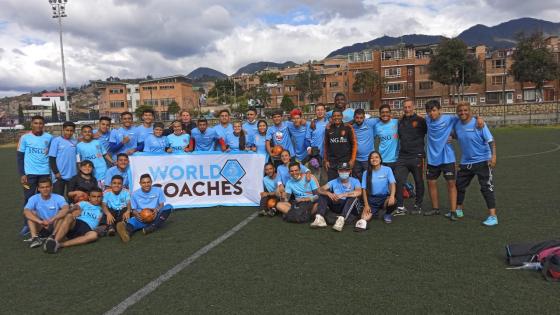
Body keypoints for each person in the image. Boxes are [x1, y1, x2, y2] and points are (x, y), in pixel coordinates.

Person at [453, 102, 498, 226]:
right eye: (460, 110)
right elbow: (459, 135)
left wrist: (493, 157)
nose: (463, 112)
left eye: (465, 110)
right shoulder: (457, 124)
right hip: (466, 162)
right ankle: (459, 209)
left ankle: (493, 216)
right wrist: (451, 137)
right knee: (459, 186)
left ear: (470, 110)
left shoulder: (479, 123)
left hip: (482, 161)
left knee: (486, 187)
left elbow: (491, 140)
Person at [42, 187, 104, 254]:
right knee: (68, 216)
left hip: (88, 229)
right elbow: (74, 207)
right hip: (77, 223)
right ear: (89, 197)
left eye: (99, 197)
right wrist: (74, 209)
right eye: (94, 196)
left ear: (102, 197)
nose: (96, 199)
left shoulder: (103, 209)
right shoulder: (85, 203)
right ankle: (55, 240)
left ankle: (59, 245)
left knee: (94, 235)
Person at [116, 174, 173, 242]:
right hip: (141, 218)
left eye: (148, 182)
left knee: (169, 207)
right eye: (144, 183)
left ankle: (153, 226)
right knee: (132, 221)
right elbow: (133, 209)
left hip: (155, 216)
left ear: (151, 182)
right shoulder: (135, 194)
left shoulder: (158, 190)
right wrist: (136, 214)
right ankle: (127, 234)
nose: (146, 184)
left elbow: (161, 205)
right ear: (140, 183)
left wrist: (157, 210)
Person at [394, 99, 427, 216]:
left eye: (409, 107)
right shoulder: (400, 121)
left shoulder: (421, 121)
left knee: (418, 181)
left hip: (417, 156)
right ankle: (400, 206)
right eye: (405, 107)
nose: (407, 109)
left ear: (414, 107)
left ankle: (418, 205)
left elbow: (433, 130)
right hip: (403, 156)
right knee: (398, 180)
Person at [311, 162, 362, 232]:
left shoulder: (355, 181)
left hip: (349, 205)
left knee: (353, 197)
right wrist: (328, 193)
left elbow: (359, 192)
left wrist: (344, 194)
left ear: (350, 171)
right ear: (338, 171)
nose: (344, 172)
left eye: (346, 170)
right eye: (341, 170)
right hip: (337, 204)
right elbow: (319, 189)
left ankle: (341, 220)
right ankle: (320, 218)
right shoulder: (333, 181)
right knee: (323, 195)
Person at [23, 177, 69, 248]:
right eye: (42, 187)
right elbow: (26, 211)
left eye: (47, 187)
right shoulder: (34, 198)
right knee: (31, 213)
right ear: (38, 189)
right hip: (41, 226)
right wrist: (40, 222)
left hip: (55, 225)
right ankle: (35, 238)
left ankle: (53, 236)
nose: (45, 189)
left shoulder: (59, 198)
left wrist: (53, 219)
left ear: (51, 187)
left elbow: (66, 208)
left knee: (62, 213)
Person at [355, 151, 397, 230]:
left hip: (384, 198)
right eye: (371, 158)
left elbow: (392, 184)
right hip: (372, 199)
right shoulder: (366, 173)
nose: (374, 159)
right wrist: (366, 205)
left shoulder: (387, 169)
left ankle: (387, 214)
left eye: (376, 157)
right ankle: (377, 212)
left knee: (393, 201)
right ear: (369, 161)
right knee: (364, 218)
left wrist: (391, 196)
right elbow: (364, 190)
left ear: (380, 160)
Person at [17, 115, 53, 203]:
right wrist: (22, 174)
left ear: (43, 125)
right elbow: (20, 157)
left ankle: (42, 216)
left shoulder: (49, 137)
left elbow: (53, 155)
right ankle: (28, 217)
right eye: (36, 123)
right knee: (29, 198)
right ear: (31, 124)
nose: (38, 125)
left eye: (40, 123)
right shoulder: (25, 138)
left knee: (44, 198)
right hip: (30, 174)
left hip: (45, 173)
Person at [323, 109, 357, 181]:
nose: (336, 117)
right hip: (332, 162)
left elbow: (354, 144)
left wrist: (352, 160)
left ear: (342, 117)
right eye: (334, 116)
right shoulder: (328, 128)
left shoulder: (348, 127)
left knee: (345, 184)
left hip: (345, 161)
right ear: (332, 117)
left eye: (338, 116)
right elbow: (326, 145)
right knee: (332, 184)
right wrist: (326, 160)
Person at [49, 121, 77, 197]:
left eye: (71, 131)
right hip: (59, 176)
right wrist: (56, 172)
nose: (69, 132)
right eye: (67, 130)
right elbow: (51, 158)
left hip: (72, 175)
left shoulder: (75, 142)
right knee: (58, 198)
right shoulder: (56, 141)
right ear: (63, 130)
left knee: (71, 199)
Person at [352, 109, 379, 181]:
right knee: (357, 181)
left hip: (368, 159)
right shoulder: (352, 127)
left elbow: (381, 118)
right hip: (356, 160)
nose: (359, 120)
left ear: (364, 117)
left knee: (369, 180)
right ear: (354, 117)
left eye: (361, 118)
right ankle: (359, 192)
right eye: (357, 118)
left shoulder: (369, 123)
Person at [305, 103, 328, 184]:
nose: (320, 112)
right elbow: (307, 139)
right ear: (315, 111)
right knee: (315, 180)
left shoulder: (329, 123)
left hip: (326, 156)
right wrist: (309, 148)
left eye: (322, 110)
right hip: (315, 156)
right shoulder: (312, 124)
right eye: (318, 110)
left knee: (325, 180)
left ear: (325, 111)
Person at [374, 105, 399, 170]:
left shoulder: (396, 122)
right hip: (381, 159)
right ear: (380, 114)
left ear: (390, 113)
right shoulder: (377, 126)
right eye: (383, 112)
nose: (385, 114)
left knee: (394, 180)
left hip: (395, 159)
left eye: (387, 112)